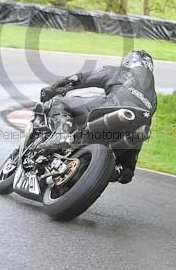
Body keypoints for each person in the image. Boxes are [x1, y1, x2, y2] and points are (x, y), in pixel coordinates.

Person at [38, 50, 157, 184]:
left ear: (129, 61)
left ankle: (61, 134)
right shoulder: (153, 97)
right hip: (136, 128)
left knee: (59, 103)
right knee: (126, 171)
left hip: (111, 109)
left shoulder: (121, 71)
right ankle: (114, 169)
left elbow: (78, 79)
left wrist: (53, 89)